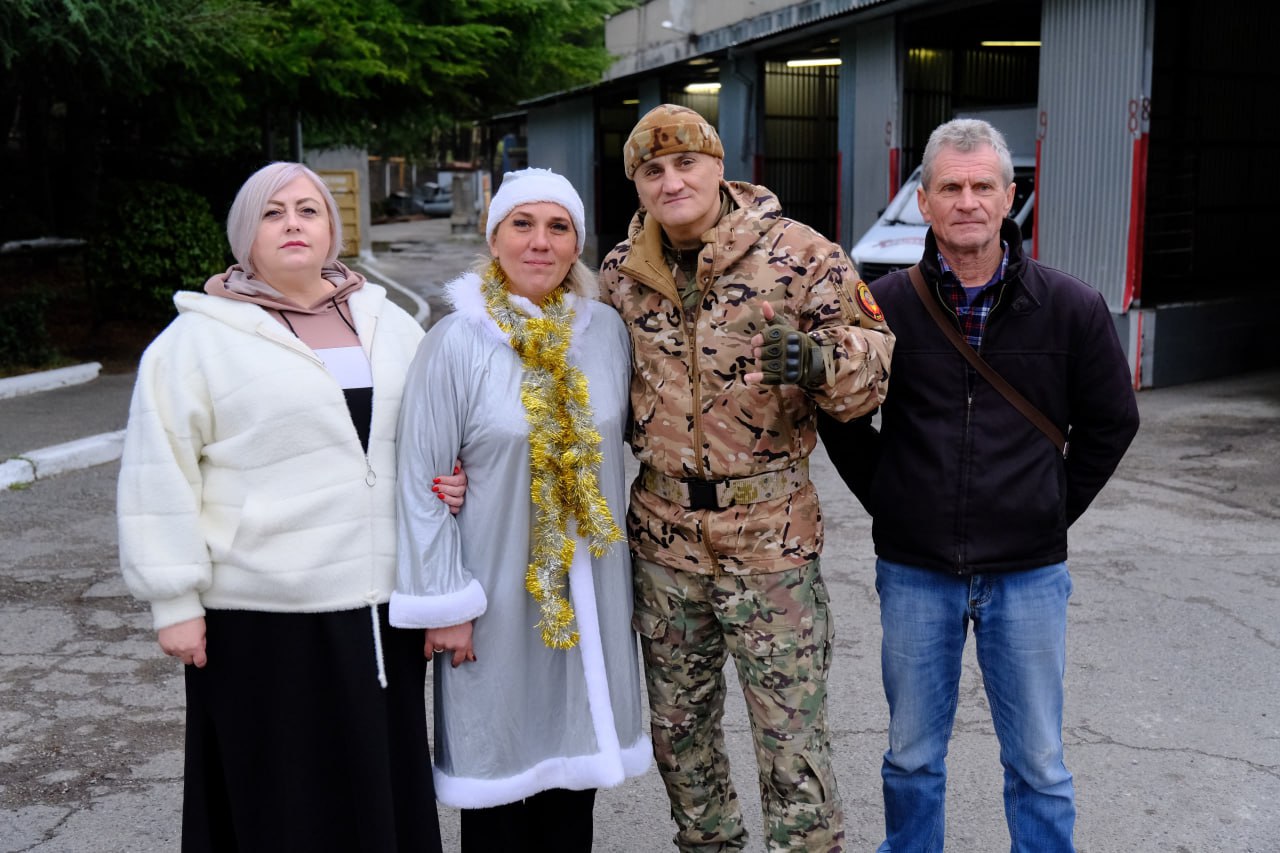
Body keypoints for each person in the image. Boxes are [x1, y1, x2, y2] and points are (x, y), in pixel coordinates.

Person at [818, 118, 1141, 852]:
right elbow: (840, 414)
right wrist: (894, 499)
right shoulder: (882, 307)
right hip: (916, 571)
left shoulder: (1071, 306)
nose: (967, 201)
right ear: (923, 201)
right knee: (910, 757)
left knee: (1039, 763)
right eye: (950, 187)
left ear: (1010, 197)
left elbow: (1112, 422)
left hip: (1028, 574)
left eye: (982, 186)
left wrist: (1048, 509)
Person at [115, 161, 457, 852]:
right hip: (259, 614)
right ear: (246, 234)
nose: (292, 223)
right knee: (281, 799)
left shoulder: (390, 325)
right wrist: (173, 601)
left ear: (332, 228)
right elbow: (158, 473)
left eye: (308, 209)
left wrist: (455, 483)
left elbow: (434, 438)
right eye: (272, 213)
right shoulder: (196, 342)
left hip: (379, 606)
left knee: (377, 792)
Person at [599, 104, 896, 852]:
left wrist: (821, 361)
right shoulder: (620, 276)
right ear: (637, 182)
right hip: (664, 542)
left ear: (718, 166)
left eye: (686, 163)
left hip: (770, 540)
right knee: (679, 738)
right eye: (652, 170)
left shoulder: (800, 253)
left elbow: (874, 362)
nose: (672, 182)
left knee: (792, 742)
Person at [391, 167, 650, 853]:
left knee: (573, 779)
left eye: (558, 227)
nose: (540, 242)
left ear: (577, 244)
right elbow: (421, 479)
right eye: (523, 224)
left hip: (588, 591)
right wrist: (445, 602)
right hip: (495, 592)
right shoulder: (456, 341)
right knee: (499, 775)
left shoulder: (606, 333)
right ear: (495, 238)